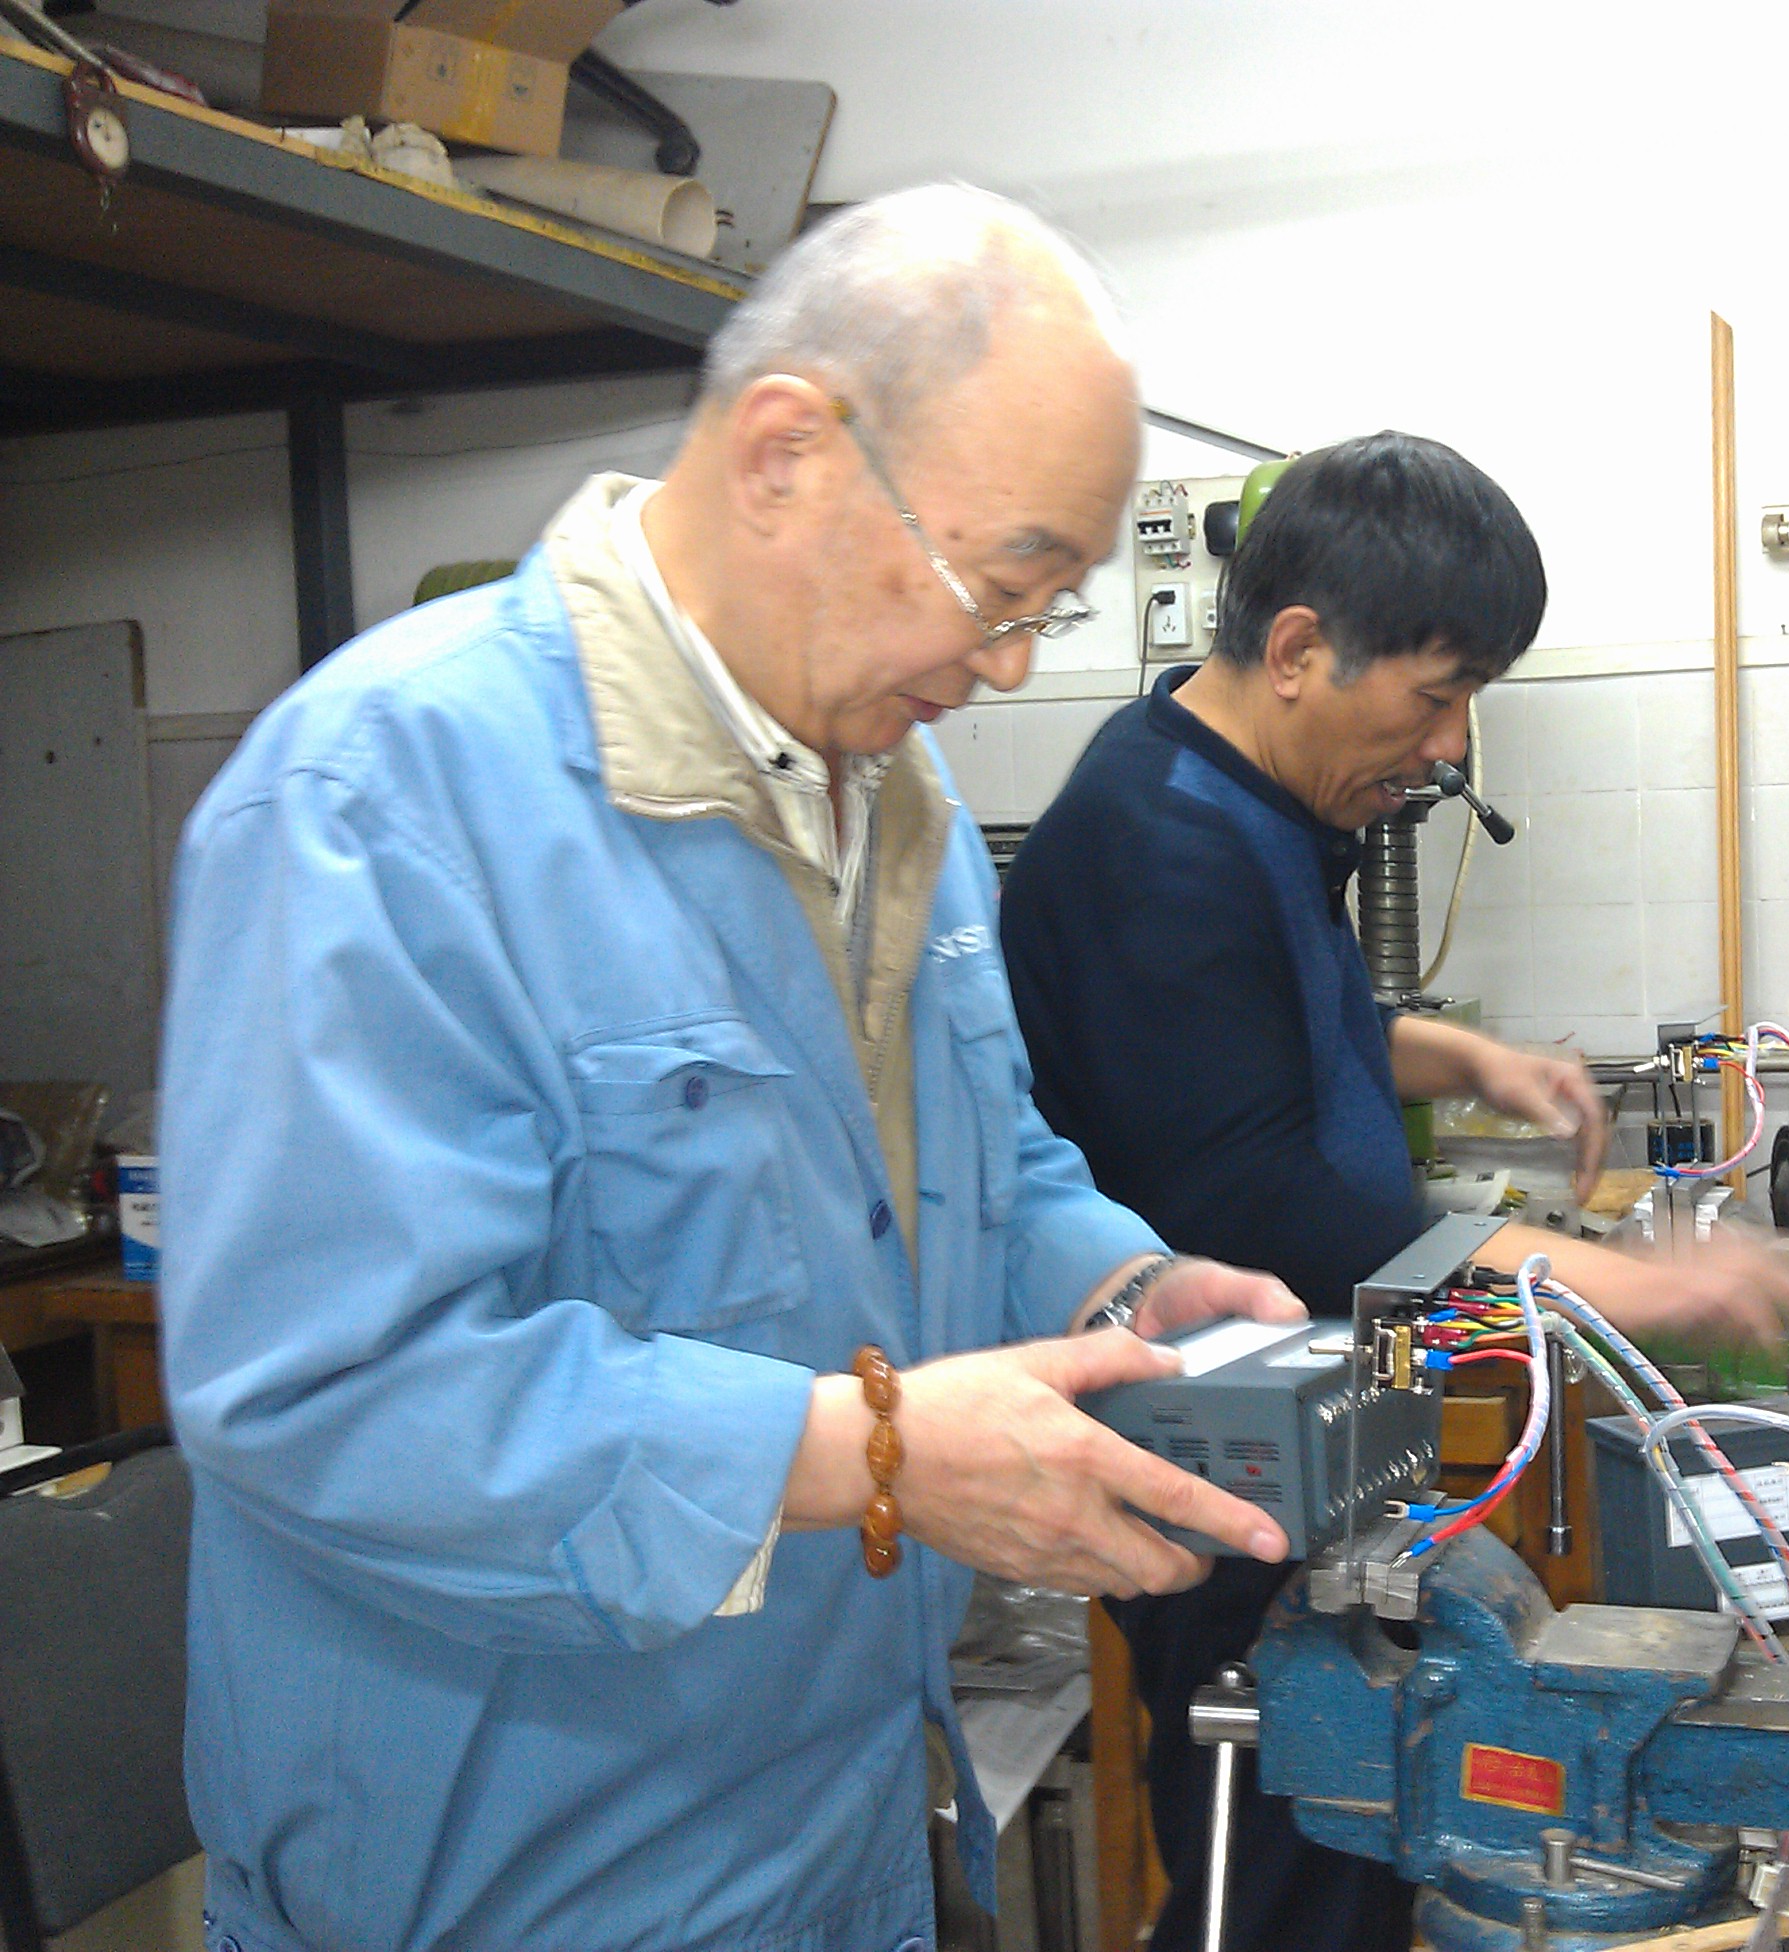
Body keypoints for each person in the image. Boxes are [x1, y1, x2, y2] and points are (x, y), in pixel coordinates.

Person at [156, 185, 1312, 1952]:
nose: (1009, 664)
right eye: (999, 588)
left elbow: (976, 1166)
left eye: (1051, 607)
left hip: (843, 1831)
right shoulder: (381, 800)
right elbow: (326, 1393)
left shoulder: (897, 798)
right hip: (521, 1884)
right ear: (787, 455)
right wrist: (868, 1451)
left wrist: (1122, 1284)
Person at [998, 432, 1789, 1952]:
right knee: (1281, 1858)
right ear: (1297, 651)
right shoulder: (1156, 843)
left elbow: (1269, 1030)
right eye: (1437, 695)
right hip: (1222, 1454)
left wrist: (1458, 1056)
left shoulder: (1253, 794)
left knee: (1375, 1824)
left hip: (1330, 1420)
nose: (1451, 746)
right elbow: (1261, 1199)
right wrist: (1639, 1286)